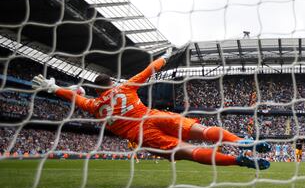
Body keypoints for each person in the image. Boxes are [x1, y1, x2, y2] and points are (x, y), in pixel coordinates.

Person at [31, 52, 271, 170]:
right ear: (111, 82)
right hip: (154, 116)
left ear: (97, 90)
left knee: (189, 151)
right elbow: (149, 70)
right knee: (203, 130)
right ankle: (240, 141)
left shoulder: (94, 106)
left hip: (144, 136)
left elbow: (76, 98)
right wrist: (166, 58)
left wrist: (54, 88)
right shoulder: (124, 87)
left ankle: (239, 160)